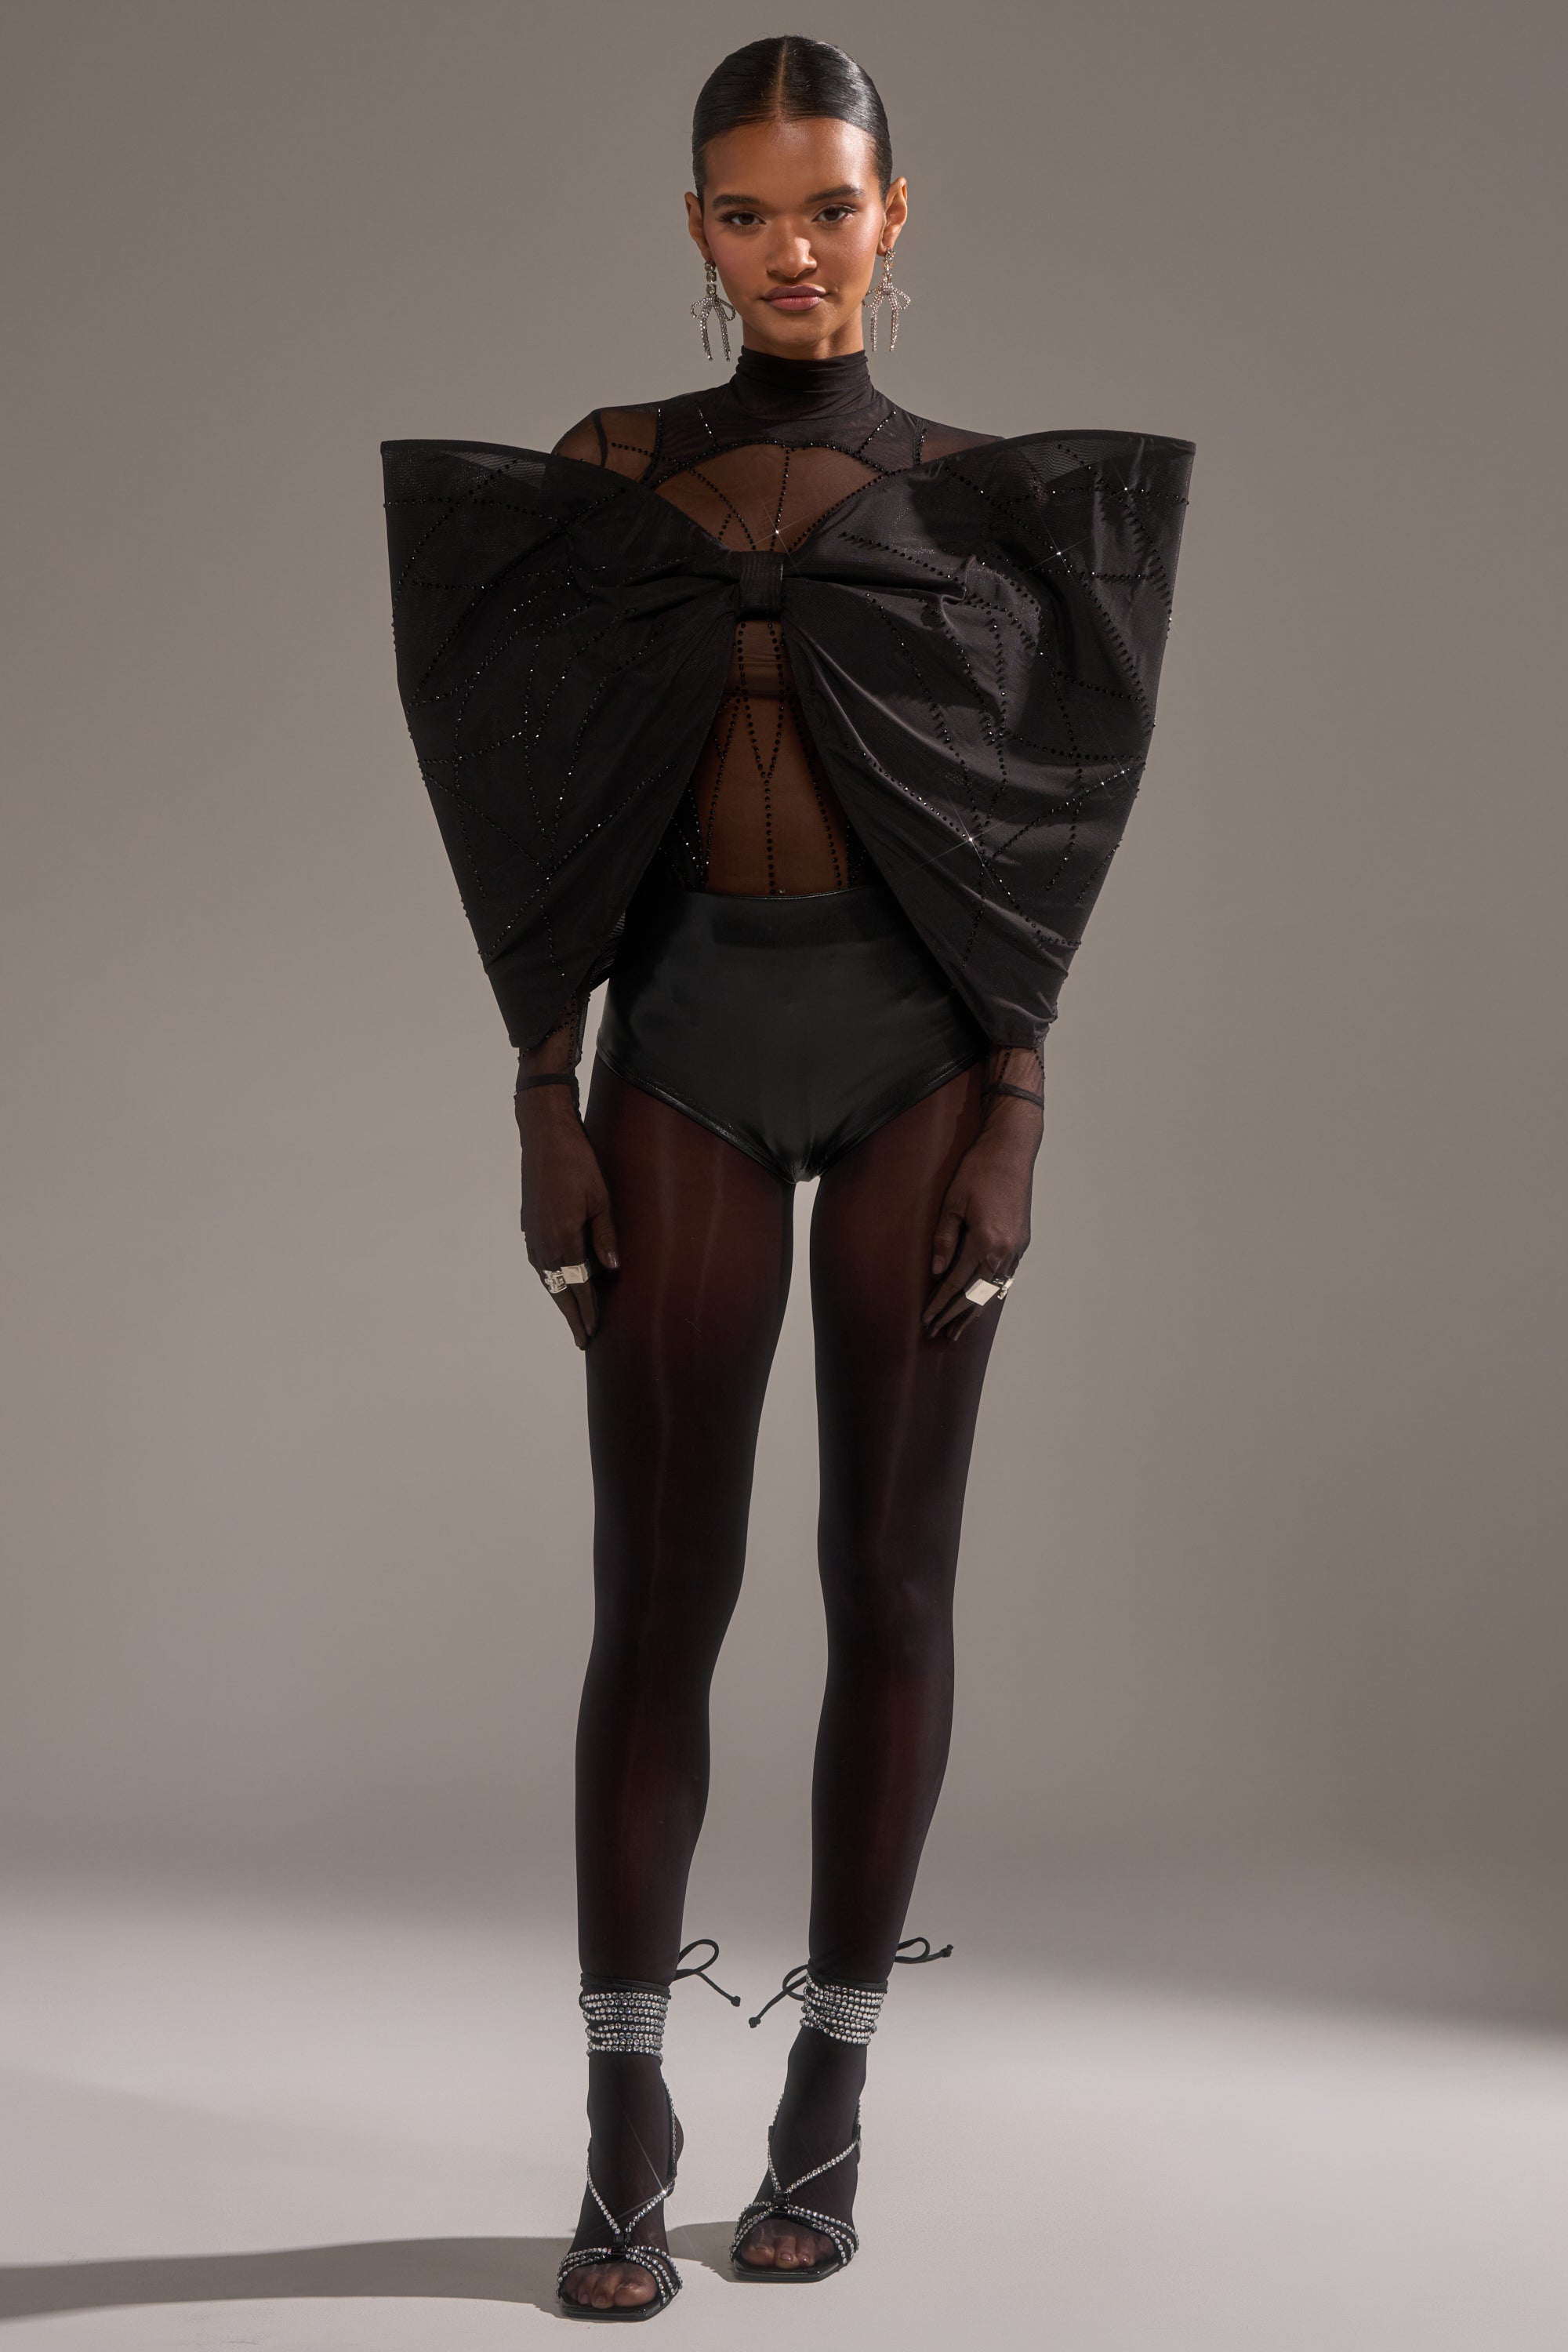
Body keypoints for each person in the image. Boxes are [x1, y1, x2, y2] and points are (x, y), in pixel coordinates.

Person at [381, 34, 1192, 2318]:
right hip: (689, 1047)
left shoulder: (969, 493)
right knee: (660, 1595)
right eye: (747, 213)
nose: (793, 251)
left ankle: (828, 2093)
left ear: (898, 217)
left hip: (920, 1053)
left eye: (831, 206)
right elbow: (544, 813)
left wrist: (1022, 1113)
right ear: (696, 231)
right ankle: (628, 2111)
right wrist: (540, 1094)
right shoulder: (611, 478)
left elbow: (1021, 841)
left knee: (891, 1584)